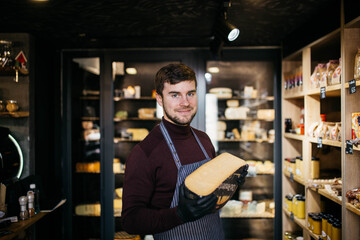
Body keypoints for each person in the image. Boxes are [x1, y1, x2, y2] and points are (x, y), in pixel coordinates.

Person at [121, 63, 248, 240]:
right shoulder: (145, 152)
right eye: (175, 95)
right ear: (159, 98)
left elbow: (210, 196)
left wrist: (230, 183)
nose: (185, 102)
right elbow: (131, 220)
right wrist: (179, 214)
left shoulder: (204, 140)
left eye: (190, 93)